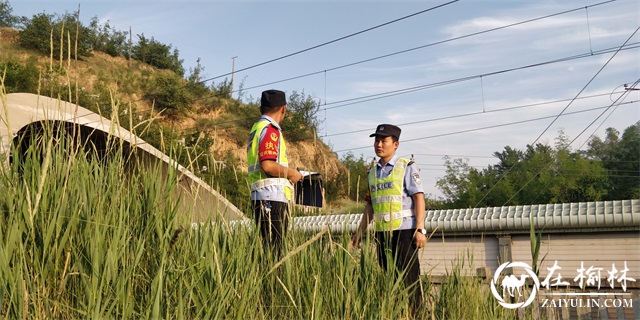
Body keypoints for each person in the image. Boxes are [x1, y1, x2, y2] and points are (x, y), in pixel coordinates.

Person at [351, 124, 427, 313]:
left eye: (383, 141)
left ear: (395, 144)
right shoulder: (372, 173)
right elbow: (370, 207)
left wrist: (420, 229)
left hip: (405, 233)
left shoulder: (406, 167)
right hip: (382, 235)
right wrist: (358, 234)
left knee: (409, 283)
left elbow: (419, 198)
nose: (379, 144)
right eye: (376, 140)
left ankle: (416, 316)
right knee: (390, 282)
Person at [247, 89, 303, 258]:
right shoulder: (271, 130)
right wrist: (291, 173)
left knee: (267, 252)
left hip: (260, 197)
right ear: (283, 109)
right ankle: (273, 285)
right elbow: (268, 165)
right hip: (272, 198)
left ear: (261, 108)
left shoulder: (256, 128)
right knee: (275, 254)